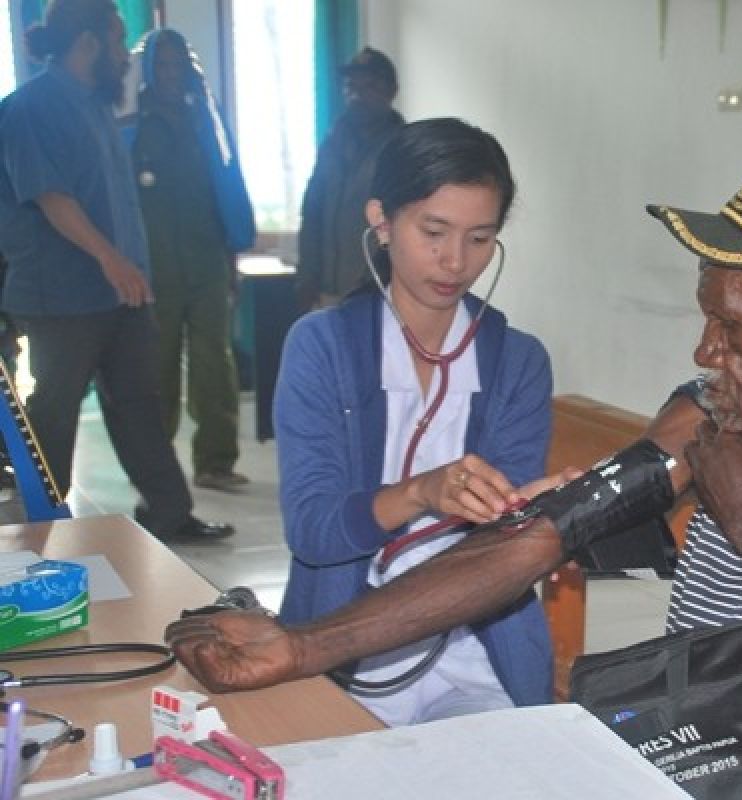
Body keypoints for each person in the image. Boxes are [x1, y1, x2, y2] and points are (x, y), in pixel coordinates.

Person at [167, 149, 742, 797]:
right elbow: (533, 545)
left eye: (729, 326)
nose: (703, 351)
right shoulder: (714, 410)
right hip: (713, 763)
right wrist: (303, 646)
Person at [274, 117, 555, 726]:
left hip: (472, 650)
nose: (455, 261)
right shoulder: (320, 346)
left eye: (480, 239)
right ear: (381, 220)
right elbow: (314, 529)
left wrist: (549, 518)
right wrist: (422, 492)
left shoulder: (519, 363)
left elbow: (506, 545)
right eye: (434, 231)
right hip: (340, 648)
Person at [0, 0, 233, 541]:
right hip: (60, 294)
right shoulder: (33, 107)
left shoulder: (97, 106)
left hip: (119, 294)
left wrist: (133, 274)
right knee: (54, 413)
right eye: (116, 41)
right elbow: (52, 197)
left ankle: (170, 514)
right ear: (87, 43)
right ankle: (40, 523)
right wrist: (110, 258)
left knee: (138, 405)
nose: (125, 57)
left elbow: (119, 205)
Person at [128, 28, 256, 491]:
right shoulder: (131, 122)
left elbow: (225, 188)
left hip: (206, 262)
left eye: (176, 65)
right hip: (153, 268)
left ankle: (215, 461)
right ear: (147, 72)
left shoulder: (207, 120)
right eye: (160, 66)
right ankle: (157, 470)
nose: (169, 74)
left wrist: (232, 260)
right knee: (155, 367)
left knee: (214, 365)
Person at [295, 47, 406, 312]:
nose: (357, 95)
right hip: (329, 290)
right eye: (350, 87)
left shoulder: (404, 147)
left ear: (391, 91)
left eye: (369, 86)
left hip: (383, 290)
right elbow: (312, 213)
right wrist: (307, 276)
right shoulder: (332, 144)